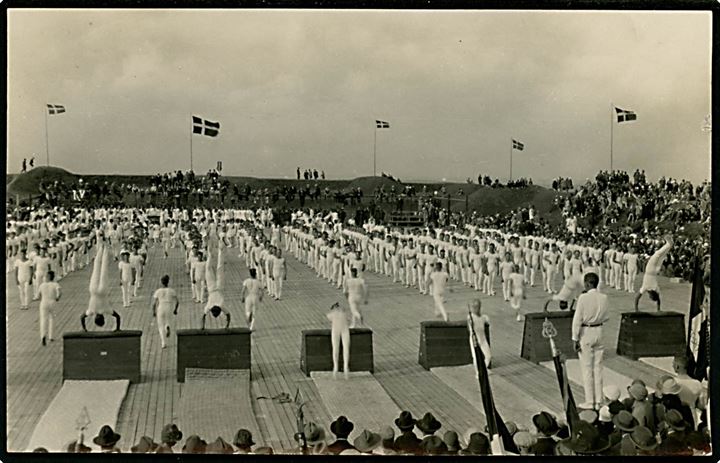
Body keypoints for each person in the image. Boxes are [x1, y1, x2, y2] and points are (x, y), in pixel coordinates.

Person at [572, 272, 609, 410]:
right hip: (599, 330)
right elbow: (606, 317)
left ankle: (590, 401)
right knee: (598, 367)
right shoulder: (604, 297)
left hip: (586, 332)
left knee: (587, 368)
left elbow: (577, 319)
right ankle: (599, 400)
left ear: (587, 283)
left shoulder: (583, 298)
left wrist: (575, 337)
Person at [81, 238, 121, 332]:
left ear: (104, 318)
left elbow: (118, 317)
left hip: (103, 291)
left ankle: (105, 248)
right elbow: (82, 317)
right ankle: (100, 248)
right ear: (95, 318)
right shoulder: (91, 311)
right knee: (96, 267)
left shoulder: (107, 310)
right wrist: (84, 329)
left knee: (104, 268)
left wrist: (117, 328)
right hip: (93, 290)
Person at [635, 235, 673, 311]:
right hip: (649, 271)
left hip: (655, 271)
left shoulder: (656, 288)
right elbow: (637, 298)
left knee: (661, 257)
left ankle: (669, 246)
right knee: (657, 255)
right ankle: (668, 244)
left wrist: (658, 309)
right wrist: (636, 309)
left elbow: (658, 299)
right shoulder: (645, 287)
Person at [202, 240, 231, 329]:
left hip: (219, 287)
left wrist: (227, 325)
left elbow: (228, 315)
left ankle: (219, 252)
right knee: (208, 269)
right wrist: (202, 326)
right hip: (211, 288)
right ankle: (210, 254)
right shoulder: (209, 306)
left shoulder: (221, 306)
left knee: (220, 268)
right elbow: (203, 316)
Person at [151, 275, 179, 349]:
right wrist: (175, 309)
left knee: (160, 325)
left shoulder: (158, 291)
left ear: (161, 282)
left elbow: (154, 303)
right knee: (168, 320)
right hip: (169, 306)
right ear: (168, 282)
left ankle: (163, 342)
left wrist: (153, 311)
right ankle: (167, 326)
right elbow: (177, 301)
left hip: (161, 307)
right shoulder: (171, 291)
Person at [327, 302, 351, 379]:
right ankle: (345, 366)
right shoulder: (344, 313)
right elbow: (349, 318)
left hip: (336, 330)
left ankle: (336, 366)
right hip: (344, 330)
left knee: (336, 349)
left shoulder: (331, 314)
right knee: (345, 349)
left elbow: (329, 317)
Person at [38, 270, 61, 346]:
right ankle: (51, 336)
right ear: (53, 277)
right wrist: (57, 298)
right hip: (52, 302)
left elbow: (38, 296)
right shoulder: (55, 284)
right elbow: (59, 292)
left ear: (47, 277)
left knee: (43, 319)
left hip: (44, 302)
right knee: (52, 319)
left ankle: (43, 336)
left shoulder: (42, 285)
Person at [468, 299, 491, 368]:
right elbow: (471, 324)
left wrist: (486, 319)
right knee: (476, 357)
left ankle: (483, 369)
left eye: (477, 307)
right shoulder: (471, 317)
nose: (476, 309)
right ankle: (478, 372)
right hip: (475, 340)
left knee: (488, 356)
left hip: (483, 339)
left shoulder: (483, 317)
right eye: (474, 307)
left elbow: (486, 320)